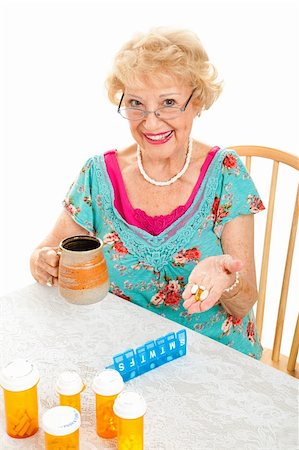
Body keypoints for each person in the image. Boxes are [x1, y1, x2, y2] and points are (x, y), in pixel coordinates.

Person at [30, 27, 265, 359]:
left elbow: (245, 301)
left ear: (196, 101)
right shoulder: (98, 175)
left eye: (168, 103)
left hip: (214, 358)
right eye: (136, 104)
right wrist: (42, 262)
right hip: (124, 357)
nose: (151, 123)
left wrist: (228, 282)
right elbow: (45, 255)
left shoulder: (226, 173)